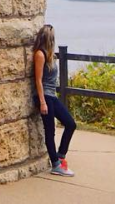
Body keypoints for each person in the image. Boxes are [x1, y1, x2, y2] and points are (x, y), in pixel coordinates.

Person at [32, 24, 77, 176]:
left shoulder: (50, 54)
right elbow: (38, 80)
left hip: (52, 96)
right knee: (50, 131)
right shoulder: (40, 55)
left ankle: (60, 156)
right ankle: (56, 165)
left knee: (70, 124)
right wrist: (42, 102)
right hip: (45, 97)